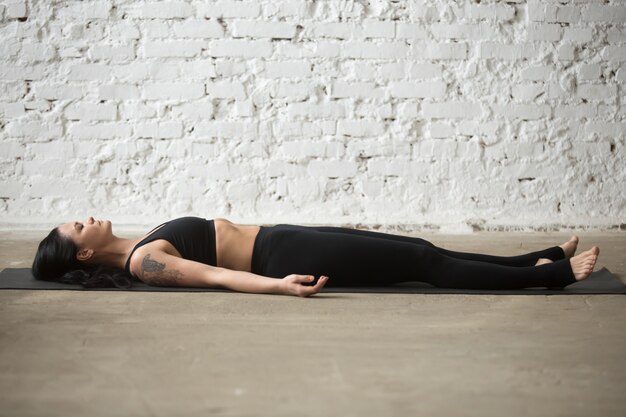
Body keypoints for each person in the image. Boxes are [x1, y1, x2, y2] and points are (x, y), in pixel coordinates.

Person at [31, 216, 600, 297]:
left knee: (423, 249)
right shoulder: (142, 262)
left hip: (283, 235)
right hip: (282, 254)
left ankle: (537, 256)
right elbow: (215, 275)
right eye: (78, 224)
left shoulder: (137, 243)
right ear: (82, 249)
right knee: (425, 267)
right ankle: (551, 277)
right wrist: (279, 287)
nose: (89, 216)